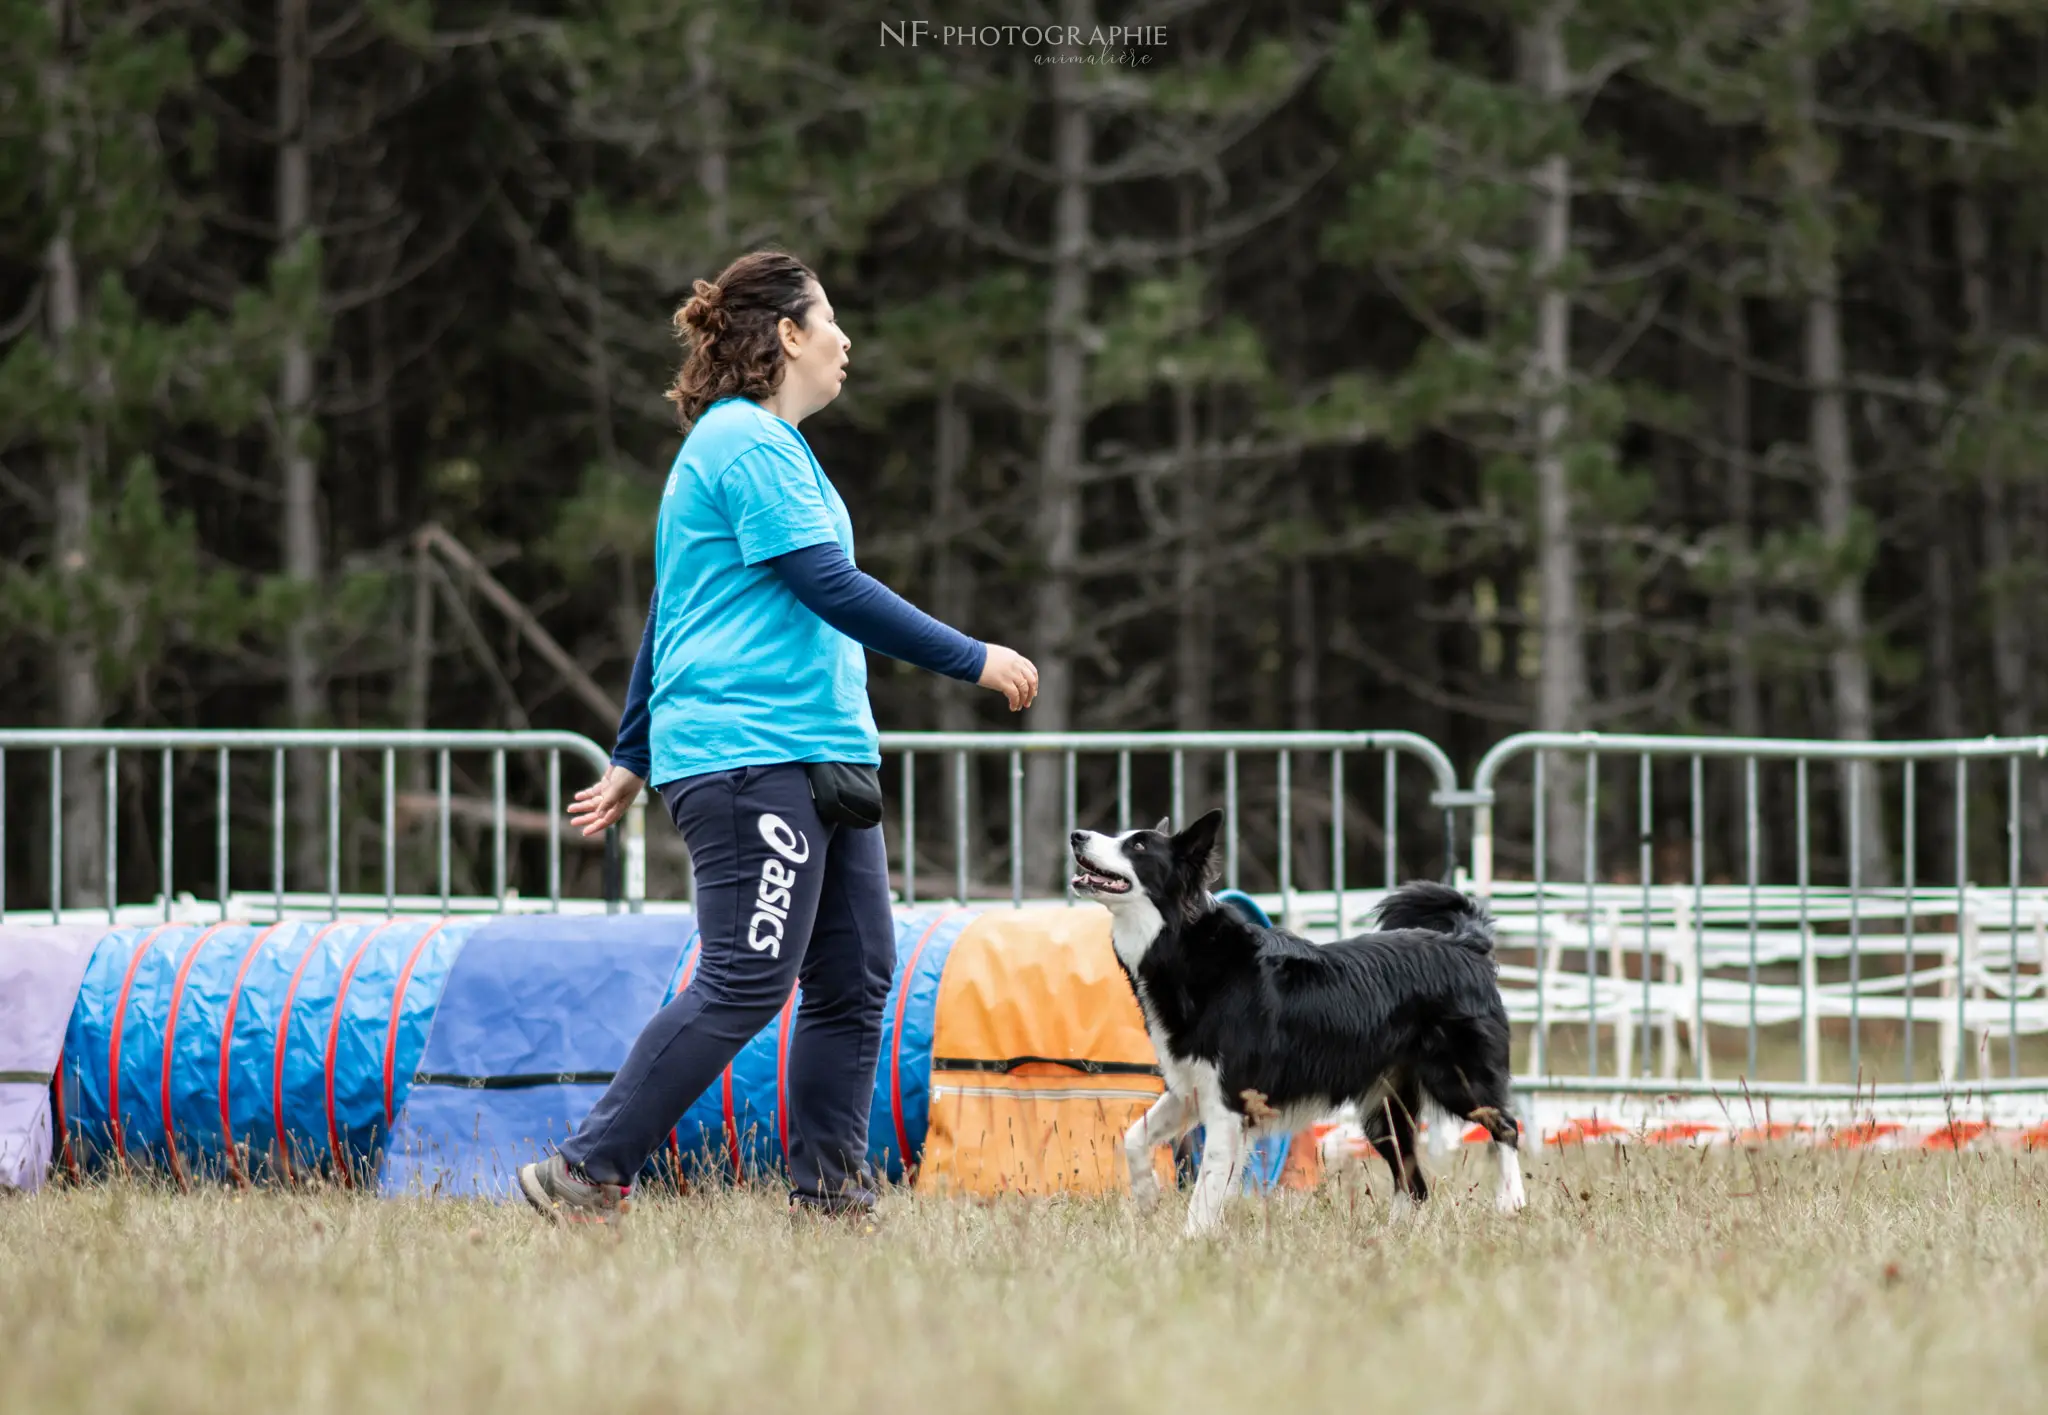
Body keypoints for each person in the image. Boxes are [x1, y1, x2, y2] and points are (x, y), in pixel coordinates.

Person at [517, 250, 1038, 1227]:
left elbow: (671, 615)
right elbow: (830, 587)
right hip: (752, 756)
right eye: (830, 319)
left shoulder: (769, 450)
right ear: (788, 335)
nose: (847, 339)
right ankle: (586, 1169)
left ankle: (831, 1195)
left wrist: (630, 755)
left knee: (853, 976)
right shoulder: (744, 444)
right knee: (746, 976)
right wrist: (971, 656)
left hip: (818, 758)